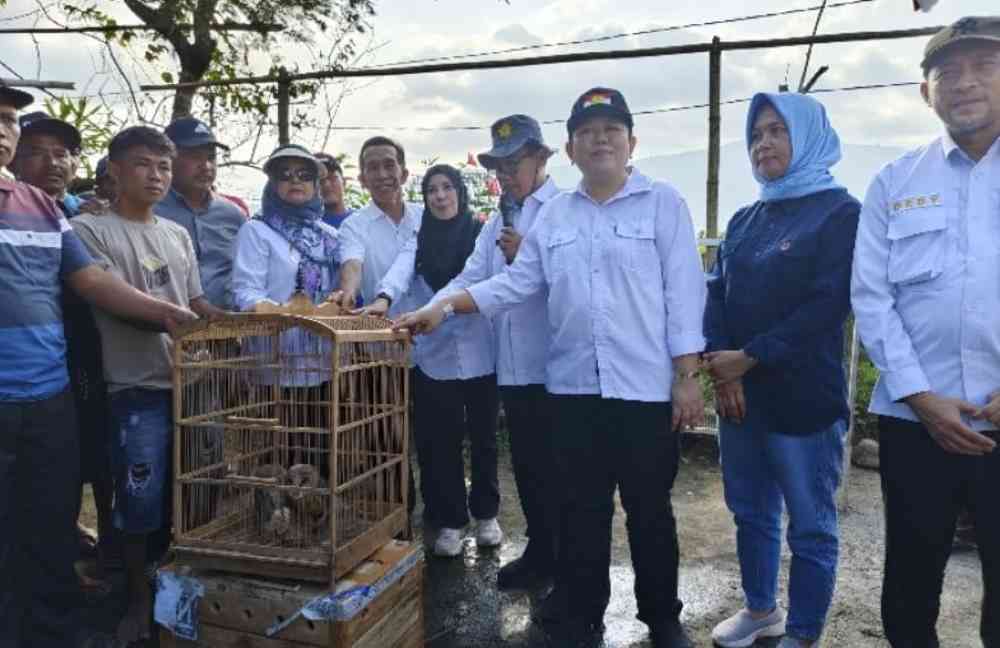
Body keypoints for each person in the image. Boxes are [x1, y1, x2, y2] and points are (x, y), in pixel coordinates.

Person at [394, 87, 705, 648]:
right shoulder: (557, 217)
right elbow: (515, 283)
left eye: (612, 130)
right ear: (571, 148)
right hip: (573, 390)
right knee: (582, 511)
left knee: (649, 512)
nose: (600, 140)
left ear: (631, 141)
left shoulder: (664, 203)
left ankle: (661, 617)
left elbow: (685, 295)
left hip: (643, 390)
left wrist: (687, 376)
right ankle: (583, 611)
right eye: (588, 132)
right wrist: (442, 307)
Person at [0, 85, 197, 648]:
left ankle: (54, 630)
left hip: (47, 395)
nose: (2, 129)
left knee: (48, 525)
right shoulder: (86, 220)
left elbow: (92, 282)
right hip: (85, 389)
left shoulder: (42, 208)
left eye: (10, 118)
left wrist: (168, 314)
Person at [851, 16, 1000, 648]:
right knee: (910, 589)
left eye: (984, 66)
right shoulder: (895, 182)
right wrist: (920, 396)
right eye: (947, 72)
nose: (965, 83)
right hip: (917, 425)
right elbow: (872, 298)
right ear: (925, 92)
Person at [704, 92, 860, 648]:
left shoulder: (840, 213)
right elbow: (717, 291)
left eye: (776, 131)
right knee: (751, 512)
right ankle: (761, 609)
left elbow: (826, 307)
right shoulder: (747, 218)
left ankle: (802, 631)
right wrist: (726, 368)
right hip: (741, 398)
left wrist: (750, 357)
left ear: (808, 136)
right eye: (756, 134)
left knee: (811, 525)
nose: (762, 143)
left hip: (803, 403)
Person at [72, 126, 224, 645]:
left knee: (200, 491)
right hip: (136, 387)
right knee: (137, 504)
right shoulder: (89, 229)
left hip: (195, 382)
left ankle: (187, 595)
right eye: (143, 164)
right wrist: (171, 316)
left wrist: (242, 324)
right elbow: (109, 298)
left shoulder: (176, 234)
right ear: (114, 169)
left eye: (163, 166)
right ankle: (137, 600)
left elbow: (198, 303)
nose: (155, 175)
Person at [429, 114, 561, 584]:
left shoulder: (563, 208)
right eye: (498, 166)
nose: (505, 174)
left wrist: (529, 253)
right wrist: (435, 306)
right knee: (525, 468)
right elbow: (474, 275)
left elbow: (546, 280)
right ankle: (540, 553)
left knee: (560, 474)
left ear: (541, 158)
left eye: (515, 163)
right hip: (513, 367)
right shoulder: (498, 219)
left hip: (555, 367)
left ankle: (564, 567)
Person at [362, 164, 499, 557]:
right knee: (441, 444)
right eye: (432, 190)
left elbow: (485, 281)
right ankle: (451, 520)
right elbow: (400, 273)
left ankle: (487, 514)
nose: (440, 196)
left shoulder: (480, 233)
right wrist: (383, 300)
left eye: (447, 187)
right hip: (434, 354)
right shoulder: (420, 239)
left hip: (481, 353)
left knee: (485, 439)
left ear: (460, 191)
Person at [233, 145, 340, 313]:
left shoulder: (331, 236)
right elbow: (246, 292)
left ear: (315, 185)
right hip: (272, 334)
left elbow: (342, 292)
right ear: (274, 184)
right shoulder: (256, 231)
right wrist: (285, 313)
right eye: (285, 175)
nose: (295, 181)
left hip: (324, 337)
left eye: (305, 175)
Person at [156, 116, 245, 310]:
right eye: (195, 157)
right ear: (169, 159)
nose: (206, 166)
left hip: (229, 329)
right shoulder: (151, 210)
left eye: (211, 157)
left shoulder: (234, 215)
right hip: (167, 328)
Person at [334, 136, 422, 313]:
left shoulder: (426, 218)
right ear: (363, 180)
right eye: (373, 168)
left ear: (404, 174)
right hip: (383, 333)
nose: (382, 175)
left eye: (389, 165)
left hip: (436, 335)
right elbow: (352, 264)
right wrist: (348, 293)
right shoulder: (353, 227)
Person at [10, 110, 83, 216]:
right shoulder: (5, 212)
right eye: (37, 153)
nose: (52, 163)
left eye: (60, 154)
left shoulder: (90, 213)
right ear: (12, 163)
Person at [316, 152, 354, 228]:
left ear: (344, 182)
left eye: (332, 178)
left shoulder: (362, 220)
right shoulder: (310, 225)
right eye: (320, 181)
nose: (327, 185)